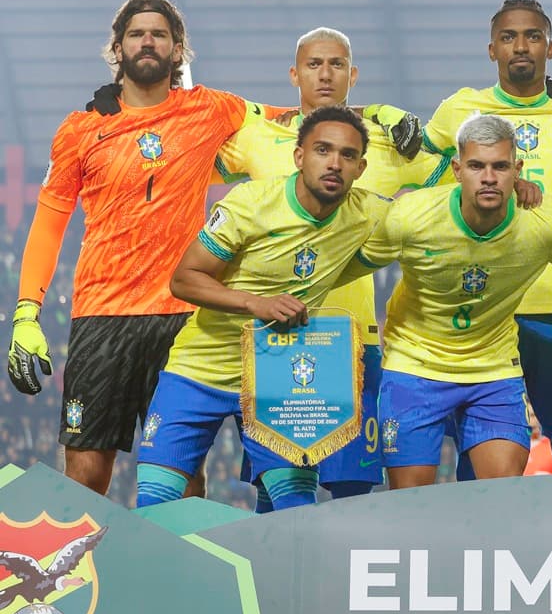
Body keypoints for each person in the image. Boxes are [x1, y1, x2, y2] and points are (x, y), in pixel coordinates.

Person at [7, 0, 261, 497]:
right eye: (137, 34)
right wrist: (26, 313)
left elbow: (293, 124)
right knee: (84, 473)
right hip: (101, 316)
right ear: (118, 48)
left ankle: (181, 554)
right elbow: (49, 223)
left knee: (181, 475)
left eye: (159, 34)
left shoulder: (210, 110)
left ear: (177, 49)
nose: (148, 41)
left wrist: (379, 118)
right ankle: (82, 555)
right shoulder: (81, 129)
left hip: (182, 317)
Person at [213, 27, 443, 507]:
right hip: (275, 335)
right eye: (313, 64)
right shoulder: (259, 138)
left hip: (353, 337)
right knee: (277, 491)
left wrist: (388, 116)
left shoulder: (383, 143)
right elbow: (188, 161)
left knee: (353, 493)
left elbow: (456, 176)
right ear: (294, 74)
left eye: (336, 64)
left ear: (352, 75)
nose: (325, 74)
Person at [420, 0, 552, 475]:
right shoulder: (459, 109)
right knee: (482, 452)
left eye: (533, 36)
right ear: (492, 50)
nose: (521, 46)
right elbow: (420, 174)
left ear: (550, 48)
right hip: (482, 309)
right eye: (509, 37)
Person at [135, 107, 390, 510]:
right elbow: (184, 279)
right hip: (200, 367)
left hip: (280, 375)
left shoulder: (368, 214)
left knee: (294, 508)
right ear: (299, 156)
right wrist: (256, 303)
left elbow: (439, 211)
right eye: (323, 150)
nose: (334, 163)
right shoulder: (250, 203)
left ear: (360, 168)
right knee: (154, 500)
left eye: (347, 155)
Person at [343, 114, 552, 489]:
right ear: (456, 169)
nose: (488, 177)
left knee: (500, 494)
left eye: (500, 167)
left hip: (492, 371)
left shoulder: (545, 229)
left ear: (517, 170)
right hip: (415, 365)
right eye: (476, 166)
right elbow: (341, 270)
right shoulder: (410, 218)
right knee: (410, 501)